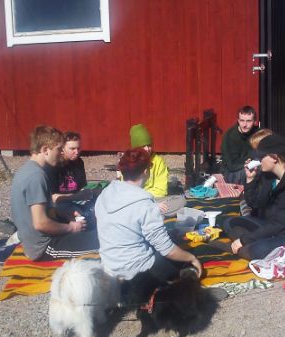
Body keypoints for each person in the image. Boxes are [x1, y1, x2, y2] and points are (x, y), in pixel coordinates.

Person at [96, 148, 202, 301]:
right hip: (136, 274)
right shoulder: (144, 202)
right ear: (146, 171)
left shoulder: (105, 193)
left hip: (109, 267)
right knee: (183, 256)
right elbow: (167, 250)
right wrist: (191, 258)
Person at [222, 134, 285, 260]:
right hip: (273, 228)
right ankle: (252, 245)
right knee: (229, 222)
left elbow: (280, 224)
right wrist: (250, 179)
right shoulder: (270, 175)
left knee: (258, 250)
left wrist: (244, 240)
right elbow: (255, 203)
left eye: (261, 157)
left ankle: (244, 248)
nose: (258, 160)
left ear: (274, 157)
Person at [11, 125, 99, 260]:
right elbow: (40, 223)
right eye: (58, 149)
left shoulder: (26, 170)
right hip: (45, 247)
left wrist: (63, 214)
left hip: (38, 240)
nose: (60, 153)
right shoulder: (36, 176)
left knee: (93, 229)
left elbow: (41, 212)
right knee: (104, 243)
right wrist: (71, 228)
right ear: (45, 150)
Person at [127, 124, 186, 217]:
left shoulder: (158, 161)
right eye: (143, 146)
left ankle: (142, 213)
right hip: (133, 201)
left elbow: (161, 190)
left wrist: (146, 200)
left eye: (149, 145)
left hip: (152, 200)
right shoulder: (129, 161)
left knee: (180, 201)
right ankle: (149, 213)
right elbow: (126, 189)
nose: (147, 149)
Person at [221, 105, 260, 184]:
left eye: (249, 121)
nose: (245, 125)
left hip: (251, 164)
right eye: (242, 120)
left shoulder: (258, 132)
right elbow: (232, 165)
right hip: (232, 172)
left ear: (255, 121)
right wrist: (248, 162)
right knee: (253, 171)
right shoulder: (230, 136)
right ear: (238, 120)